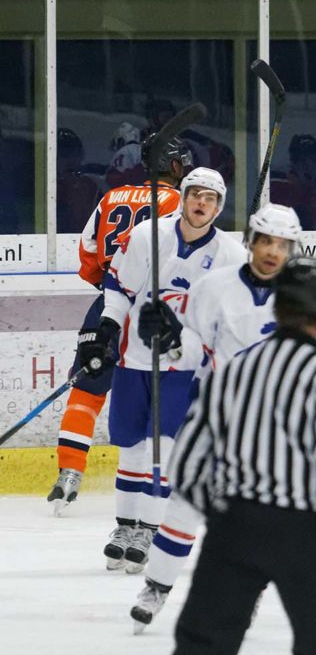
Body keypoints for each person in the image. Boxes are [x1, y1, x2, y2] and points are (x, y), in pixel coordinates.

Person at [169, 256, 316, 655]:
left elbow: (185, 461)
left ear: (276, 305)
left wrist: (226, 515)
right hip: (305, 534)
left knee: (201, 645)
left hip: (235, 526)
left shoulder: (234, 371)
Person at [128, 202, 303, 631]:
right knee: (184, 506)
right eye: (265, 240)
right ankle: (157, 587)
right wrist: (166, 338)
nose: (273, 251)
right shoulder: (216, 287)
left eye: (282, 244)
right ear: (251, 242)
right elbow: (191, 348)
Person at [78, 167, 247, 572]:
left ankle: (150, 527)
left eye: (210, 198)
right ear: (183, 197)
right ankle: (125, 526)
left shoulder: (231, 255)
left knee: (164, 445)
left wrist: (187, 343)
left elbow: (230, 321)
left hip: (185, 366)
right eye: (196, 194)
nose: (201, 203)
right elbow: (119, 289)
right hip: (135, 356)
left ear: (219, 207)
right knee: (133, 445)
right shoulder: (147, 235)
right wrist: (107, 328)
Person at [47, 134, 191, 515]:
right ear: (175, 166)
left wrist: (109, 285)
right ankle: (159, 481)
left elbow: (87, 252)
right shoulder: (180, 202)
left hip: (108, 304)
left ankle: (68, 474)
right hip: (157, 312)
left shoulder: (111, 198)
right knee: (160, 394)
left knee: (87, 389)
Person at [55, 128, 101, 232]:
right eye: (64, 155)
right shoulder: (41, 188)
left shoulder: (91, 187)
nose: (71, 160)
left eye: (74, 154)